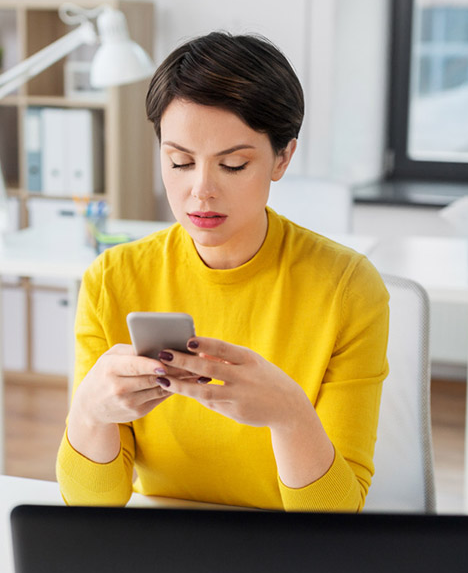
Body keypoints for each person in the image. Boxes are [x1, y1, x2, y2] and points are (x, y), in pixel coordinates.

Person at [56, 32, 389, 511]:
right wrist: (89, 411)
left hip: (284, 551)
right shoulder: (114, 278)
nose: (201, 191)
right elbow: (93, 507)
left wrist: (290, 416)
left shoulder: (347, 289)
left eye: (232, 165)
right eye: (180, 161)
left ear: (282, 157)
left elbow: (334, 517)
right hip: (161, 547)